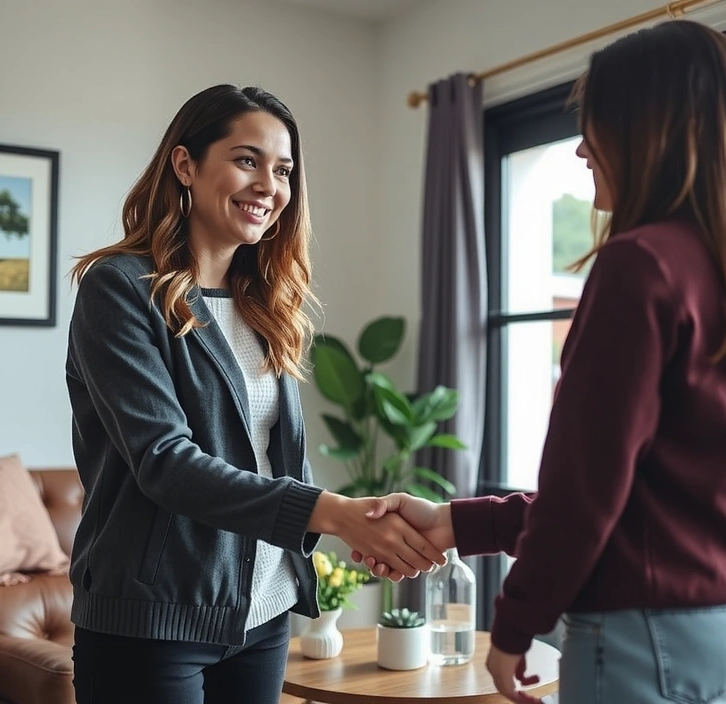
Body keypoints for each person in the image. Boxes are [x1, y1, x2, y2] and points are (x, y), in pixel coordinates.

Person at [354, 20, 726, 704]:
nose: (580, 149)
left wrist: (513, 626)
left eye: (595, 125)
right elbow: (638, 496)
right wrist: (455, 522)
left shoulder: (638, 265)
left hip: (646, 635)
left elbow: (585, 489)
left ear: (647, 131)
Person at [65, 84, 444, 704]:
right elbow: (166, 462)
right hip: (153, 622)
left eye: (284, 169)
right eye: (247, 160)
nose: (269, 184)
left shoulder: (265, 303)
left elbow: (273, 454)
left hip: (263, 611)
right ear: (185, 165)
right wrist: (336, 514)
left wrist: (361, 520)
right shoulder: (121, 289)